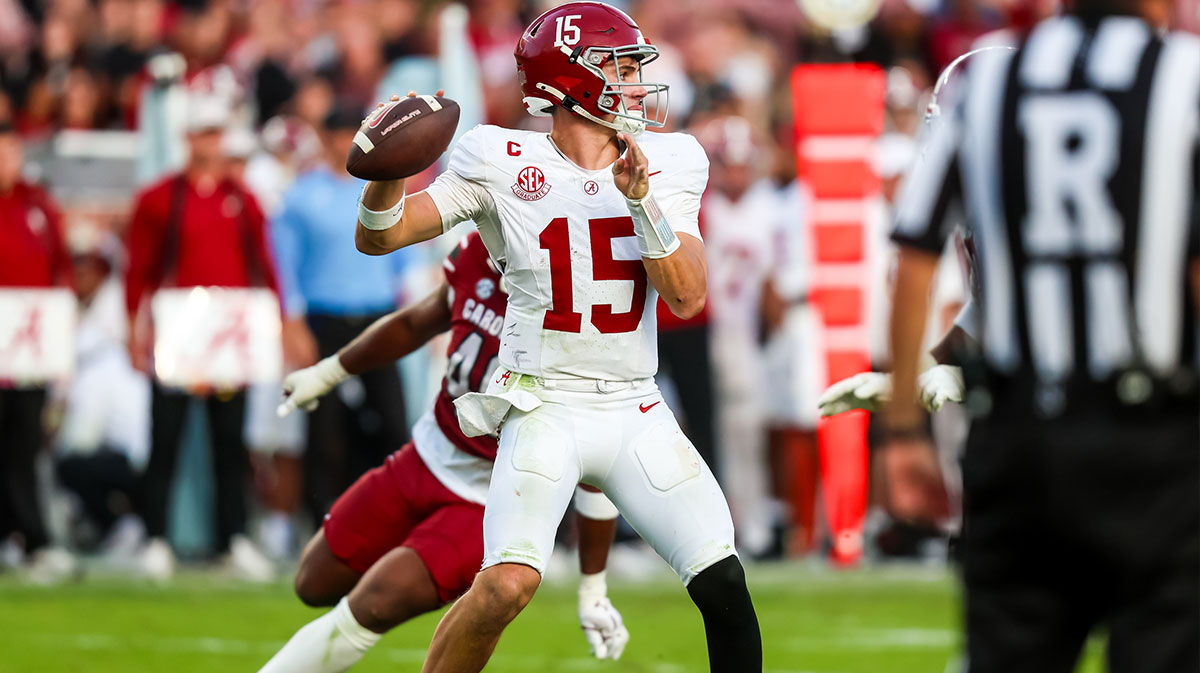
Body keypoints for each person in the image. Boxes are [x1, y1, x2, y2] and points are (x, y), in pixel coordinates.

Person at [353, 4, 762, 672]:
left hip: (633, 404)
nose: (636, 83)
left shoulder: (673, 159)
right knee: (505, 587)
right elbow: (382, 234)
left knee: (723, 582)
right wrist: (389, 169)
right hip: (543, 403)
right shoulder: (499, 158)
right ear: (570, 79)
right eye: (619, 68)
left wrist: (642, 202)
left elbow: (687, 297)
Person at [883, 0, 1200, 669]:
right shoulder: (1184, 76)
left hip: (1019, 439)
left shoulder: (988, 83)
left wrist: (903, 429)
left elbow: (914, 256)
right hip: (1152, 442)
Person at [257, 232, 630, 672]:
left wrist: (593, 587)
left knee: (375, 602)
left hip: (492, 498)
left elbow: (598, 458)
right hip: (426, 454)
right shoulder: (478, 251)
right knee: (313, 581)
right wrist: (329, 372)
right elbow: (417, 322)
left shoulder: (578, 297)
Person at [124, 96, 280, 581]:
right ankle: (155, 538)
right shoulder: (159, 198)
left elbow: (264, 265)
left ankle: (231, 539)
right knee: (165, 437)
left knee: (229, 441)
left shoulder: (244, 199)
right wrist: (135, 329)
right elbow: (139, 271)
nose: (211, 142)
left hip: (228, 337)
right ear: (187, 137)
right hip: (178, 335)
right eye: (203, 132)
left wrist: (274, 326)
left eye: (216, 132)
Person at [270, 105, 412, 528]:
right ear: (325, 139)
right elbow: (284, 265)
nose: (345, 143)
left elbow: (403, 262)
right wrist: (291, 323)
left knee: (393, 421)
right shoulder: (301, 194)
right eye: (338, 134)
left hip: (378, 316)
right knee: (324, 426)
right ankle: (320, 522)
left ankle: (398, 516)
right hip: (325, 319)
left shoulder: (383, 188)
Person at [0, 122, 77, 581]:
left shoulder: (39, 207)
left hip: (28, 353)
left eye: (10, 153)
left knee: (25, 445)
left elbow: (60, 273)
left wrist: (59, 343)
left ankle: (30, 539)